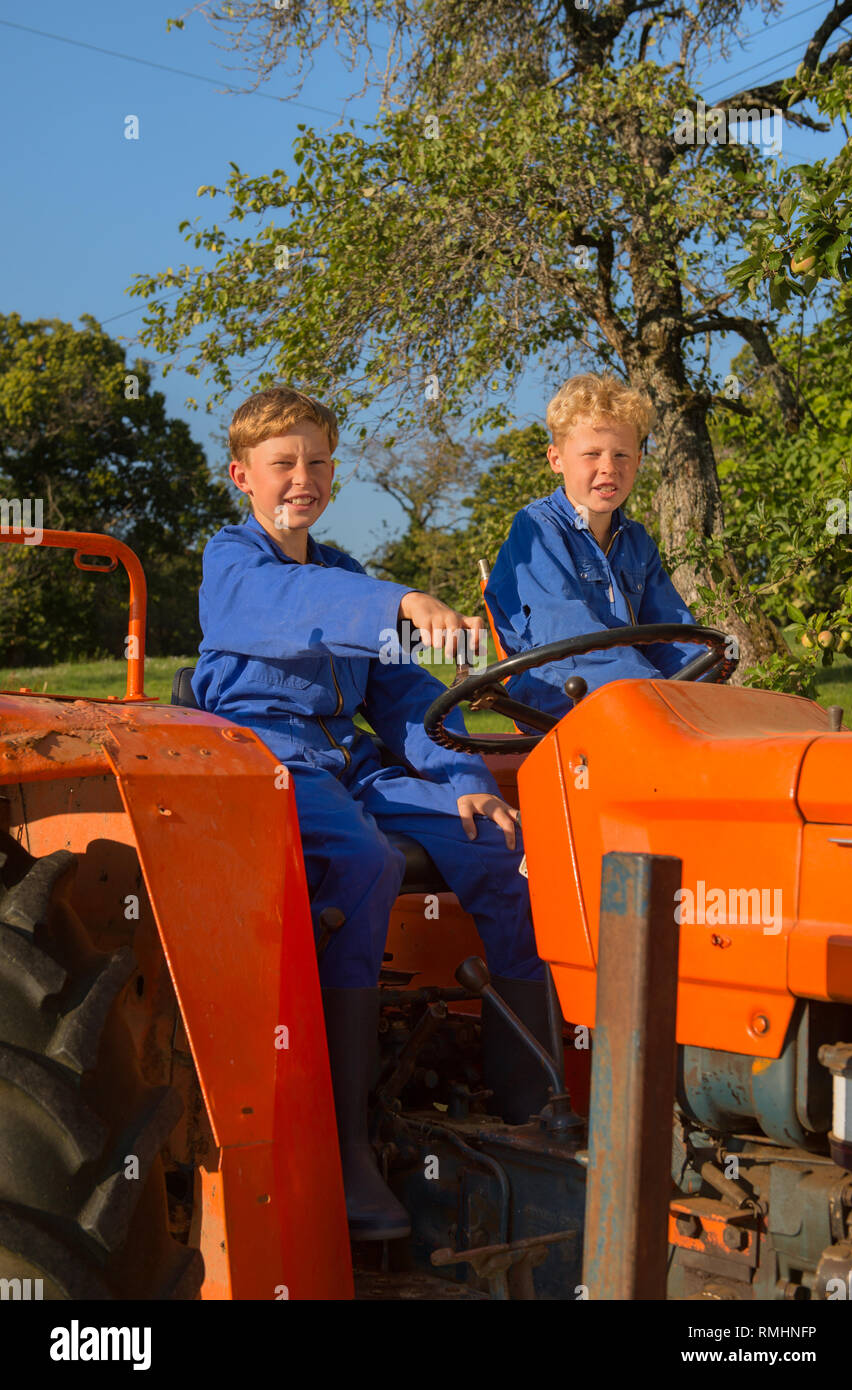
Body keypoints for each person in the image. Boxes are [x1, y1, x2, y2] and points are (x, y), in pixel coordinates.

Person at [192, 386, 550, 1242]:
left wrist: (461, 773)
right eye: (283, 464)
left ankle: (537, 1104)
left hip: (343, 756)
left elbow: (399, 693)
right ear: (244, 475)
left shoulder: (344, 571)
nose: (302, 478)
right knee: (366, 861)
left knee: (496, 844)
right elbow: (287, 610)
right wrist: (398, 603)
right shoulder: (233, 562)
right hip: (263, 753)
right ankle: (346, 1147)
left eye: (317, 462)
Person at [483, 372, 704, 719]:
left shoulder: (636, 541)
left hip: (631, 693)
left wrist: (702, 688)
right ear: (556, 460)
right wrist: (654, 693)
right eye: (592, 454)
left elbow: (673, 633)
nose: (608, 468)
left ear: (639, 461)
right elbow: (564, 635)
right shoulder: (537, 529)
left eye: (622, 455)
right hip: (557, 696)